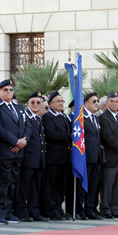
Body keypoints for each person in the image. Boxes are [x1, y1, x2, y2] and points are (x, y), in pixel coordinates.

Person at [0, 79, 30, 224]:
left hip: (18, 152)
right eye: (5, 90)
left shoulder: (19, 106)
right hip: (3, 152)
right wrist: (15, 141)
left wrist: (22, 142)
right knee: (2, 184)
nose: (8, 92)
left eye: (10, 90)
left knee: (13, 183)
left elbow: (27, 125)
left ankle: (9, 212)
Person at [15, 91, 46, 222]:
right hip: (28, 159)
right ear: (28, 103)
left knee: (36, 187)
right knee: (24, 187)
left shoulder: (39, 118)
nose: (35, 104)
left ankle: (34, 211)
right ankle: (22, 211)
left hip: (39, 159)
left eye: (38, 102)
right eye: (32, 102)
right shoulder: (24, 117)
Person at [99, 90, 118, 218]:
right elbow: (108, 137)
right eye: (112, 101)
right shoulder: (103, 118)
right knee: (108, 184)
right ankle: (105, 208)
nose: (114, 104)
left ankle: (116, 208)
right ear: (107, 103)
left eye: (116, 102)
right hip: (111, 156)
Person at [42, 91, 71, 221]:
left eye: (62, 101)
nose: (61, 103)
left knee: (60, 185)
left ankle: (59, 208)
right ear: (51, 104)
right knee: (51, 185)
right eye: (58, 101)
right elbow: (52, 134)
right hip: (53, 158)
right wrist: (69, 137)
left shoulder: (64, 117)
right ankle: (51, 209)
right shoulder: (48, 117)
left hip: (64, 157)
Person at [78, 92, 102, 219]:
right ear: (86, 103)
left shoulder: (95, 118)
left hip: (95, 157)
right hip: (85, 157)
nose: (97, 103)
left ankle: (90, 208)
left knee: (93, 185)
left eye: (97, 101)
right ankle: (80, 210)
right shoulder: (81, 118)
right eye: (94, 101)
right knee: (83, 186)